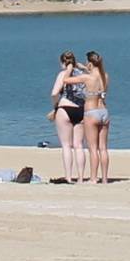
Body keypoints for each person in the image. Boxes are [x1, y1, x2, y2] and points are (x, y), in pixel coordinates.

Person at [47, 52, 88, 182]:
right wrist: (84, 68)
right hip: (82, 109)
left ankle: (69, 177)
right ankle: (81, 177)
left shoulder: (62, 75)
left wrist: (55, 107)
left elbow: (54, 93)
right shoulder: (83, 75)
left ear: (62, 63)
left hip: (65, 108)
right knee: (79, 145)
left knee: (66, 145)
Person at [81, 50, 113, 184]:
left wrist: (72, 67)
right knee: (103, 148)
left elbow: (66, 79)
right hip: (104, 112)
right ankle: (104, 178)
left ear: (89, 62)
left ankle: (93, 178)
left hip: (91, 112)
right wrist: (85, 68)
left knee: (93, 148)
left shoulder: (87, 78)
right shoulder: (105, 76)